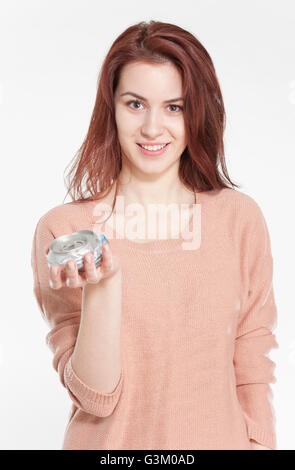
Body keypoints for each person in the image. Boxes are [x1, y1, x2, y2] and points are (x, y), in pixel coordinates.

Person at [31, 20, 278, 450]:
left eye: (174, 107)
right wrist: (104, 286)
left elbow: (253, 362)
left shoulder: (239, 219)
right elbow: (95, 396)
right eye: (135, 104)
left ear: (197, 112)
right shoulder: (66, 231)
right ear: (111, 107)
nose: (151, 128)